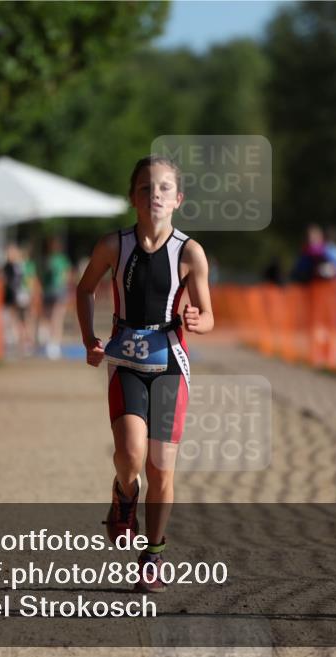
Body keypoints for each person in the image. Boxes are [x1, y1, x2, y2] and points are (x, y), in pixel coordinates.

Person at [75, 155, 213, 593]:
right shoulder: (114, 245)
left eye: (164, 189)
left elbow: (209, 315)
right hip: (127, 360)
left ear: (178, 199)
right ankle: (123, 491)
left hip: (171, 362)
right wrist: (89, 339)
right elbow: (84, 288)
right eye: (145, 188)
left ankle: (152, 556)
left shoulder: (189, 252)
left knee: (162, 468)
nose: (155, 195)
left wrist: (196, 319)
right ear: (132, 197)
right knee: (132, 456)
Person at [39, 236, 72, 360]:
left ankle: (54, 343)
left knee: (55, 317)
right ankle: (51, 343)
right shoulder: (50, 259)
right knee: (51, 318)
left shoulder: (57, 260)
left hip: (57, 291)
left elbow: (67, 275)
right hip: (51, 291)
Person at [2, 242, 37, 355]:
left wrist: (31, 294)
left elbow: (29, 280)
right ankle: (22, 343)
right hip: (14, 297)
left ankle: (27, 342)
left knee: (25, 319)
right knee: (18, 320)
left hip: (23, 296)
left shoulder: (23, 265)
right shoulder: (8, 266)